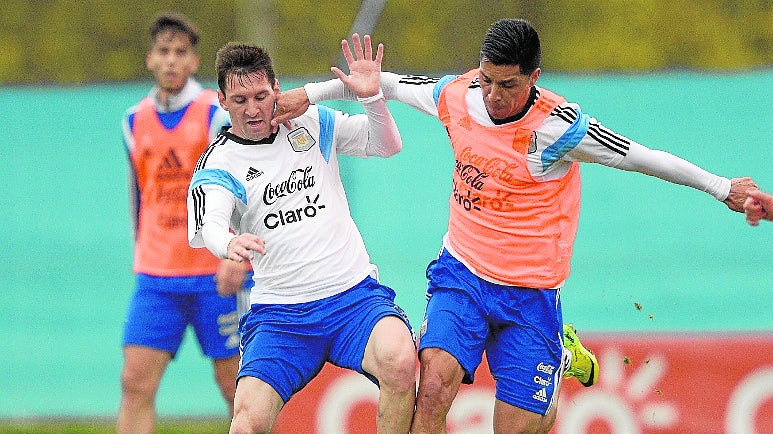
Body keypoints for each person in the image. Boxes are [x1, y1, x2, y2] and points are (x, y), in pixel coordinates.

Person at [272, 19, 758, 433]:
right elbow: (386, 83)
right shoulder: (460, 95)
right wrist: (310, 93)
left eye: (508, 85)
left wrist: (721, 187)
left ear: (535, 78)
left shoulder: (560, 128)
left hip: (531, 292)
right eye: (487, 80)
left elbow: (641, 157)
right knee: (433, 385)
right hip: (461, 274)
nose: (493, 95)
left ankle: (559, 353)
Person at [186, 36, 417, 434]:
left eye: (261, 95)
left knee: (401, 361)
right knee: (246, 424)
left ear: (276, 89)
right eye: (239, 100)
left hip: (353, 298)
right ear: (222, 101)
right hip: (282, 316)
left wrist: (372, 99)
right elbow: (209, 224)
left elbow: (387, 144)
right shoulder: (219, 161)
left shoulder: (312, 122)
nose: (253, 109)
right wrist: (228, 244)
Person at [118, 13, 252, 434]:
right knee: (135, 382)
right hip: (157, 276)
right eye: (163, 52)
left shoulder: (215, 113)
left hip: (216, 275)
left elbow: (246, 182)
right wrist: (141, 249)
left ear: (194, 62)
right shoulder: (132, 121)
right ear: (150, 60)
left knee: (238, 390)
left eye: (180, 53)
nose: (171, 61)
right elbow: (138, 196)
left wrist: (237, 251)